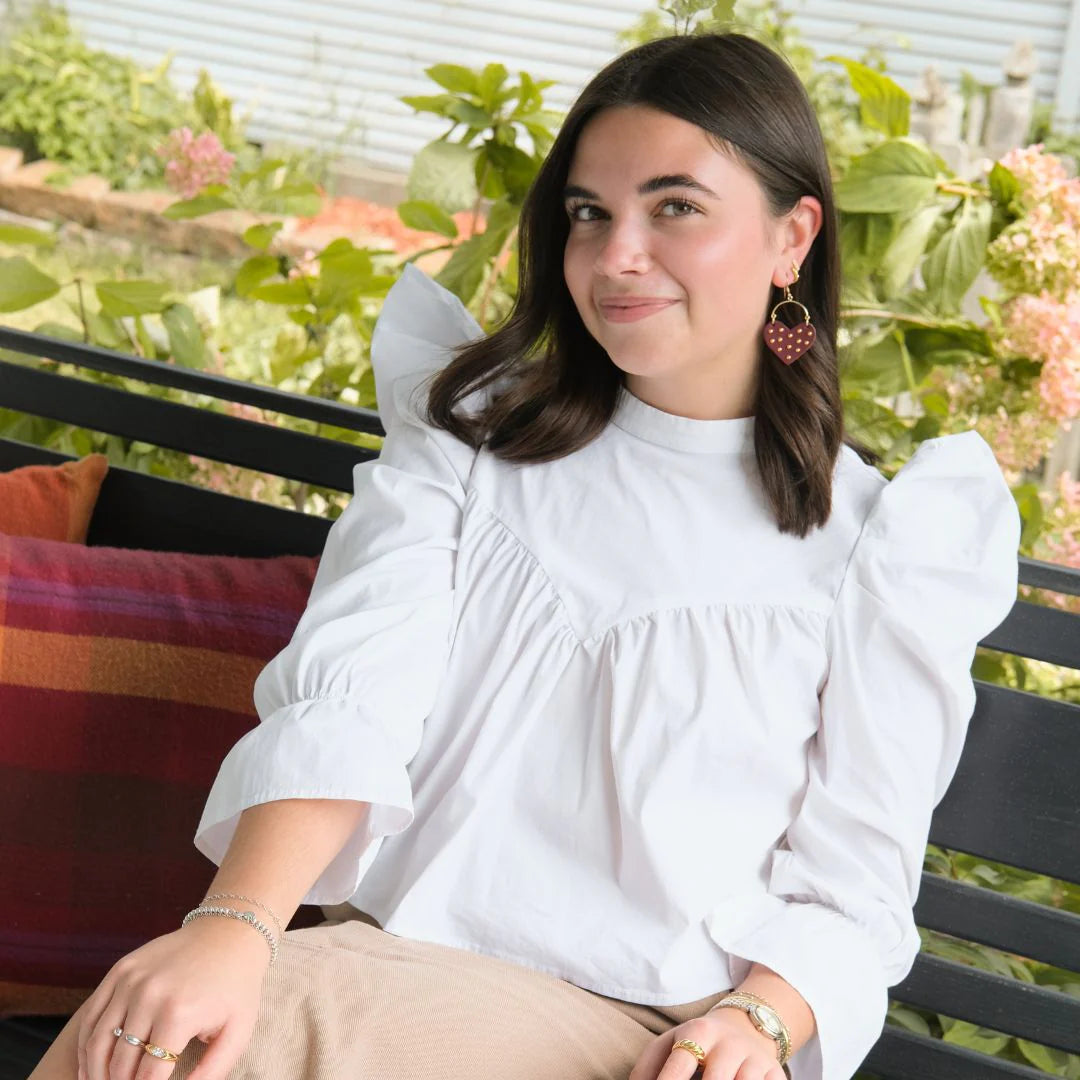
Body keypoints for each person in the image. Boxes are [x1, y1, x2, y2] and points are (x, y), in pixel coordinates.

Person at [32, 30, 1021, 1080]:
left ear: (792, 238)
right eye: (589, 213)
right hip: (385, 972)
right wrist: (233, 924)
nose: (615, 255)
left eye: (674, 207)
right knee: (191, 1026)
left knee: (257, 1028)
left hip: (644, 1032)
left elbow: (853, 889)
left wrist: (762, 1026)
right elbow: (352, 702)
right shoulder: (470, 443)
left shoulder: (874, 548)